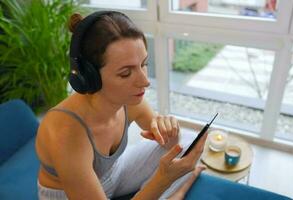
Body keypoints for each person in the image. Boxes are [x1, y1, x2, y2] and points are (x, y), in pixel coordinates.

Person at [35, 10, 207, 200]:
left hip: (114, 174)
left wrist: (170, 132)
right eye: (126, 73)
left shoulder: (131, 102)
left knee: (188, 141)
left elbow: (168, 145)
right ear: (89, 78)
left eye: (143, 64)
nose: (145, 81)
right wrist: (163, 179)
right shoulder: (67, 132)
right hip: (66, 196)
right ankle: (175, 194)